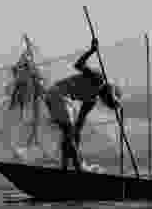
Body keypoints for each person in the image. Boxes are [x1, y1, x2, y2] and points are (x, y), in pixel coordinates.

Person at [43, 38, 122, 171]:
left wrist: (76, 143)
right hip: (57, 93)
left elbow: (79, 125)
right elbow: (78, 65)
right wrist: (91, 51)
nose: (104, 101)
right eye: (108, 99)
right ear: (109, 92)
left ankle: (66, 167)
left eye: (107, 102)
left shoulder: (92, 100)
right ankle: (76, 166)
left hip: (62, 99)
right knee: (68, 131)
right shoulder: (98, 78)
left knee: (70, 133)